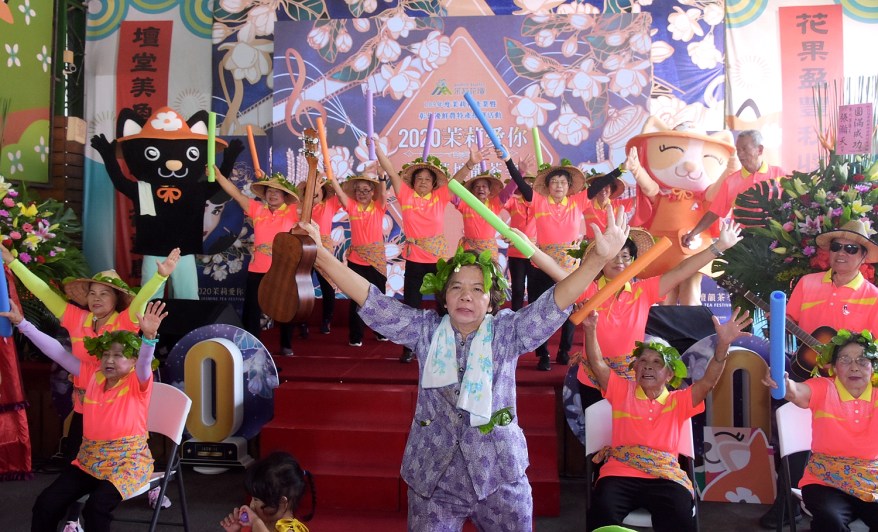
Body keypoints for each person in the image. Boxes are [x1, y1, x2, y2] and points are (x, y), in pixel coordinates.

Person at [299, 204, 629, 530]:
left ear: (491, 301)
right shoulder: (424, 330)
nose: (466, 296)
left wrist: (597, 260)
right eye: (456, 287)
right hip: (433, 477)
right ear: (444, 298)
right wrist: (321, 254)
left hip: (499, 474)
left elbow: (556, 301)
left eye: (477, 289)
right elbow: (370, 298)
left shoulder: (508, 333)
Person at [0, 300, 167, 532]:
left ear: (133, 361)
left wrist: (148, 338)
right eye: (105, 354)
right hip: (89, 461)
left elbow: (146, 362)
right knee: (46, 504)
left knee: (96, 508)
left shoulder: (137, 381)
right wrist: (22, 324)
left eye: (118, 355)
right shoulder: (92, 375)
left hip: (127, 463)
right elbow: (58, 352)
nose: (109, 360)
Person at [0, 245, 179, 461]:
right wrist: (13, 263)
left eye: (104, 293)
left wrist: (160, 276)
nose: (97, 298)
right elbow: (44, 292)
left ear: (117, 299)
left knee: (114, 463)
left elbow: (141, 299)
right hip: (84, 404)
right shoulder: (75, 317)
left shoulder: (126, 321)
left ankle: (138, 479)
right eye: (92, 293)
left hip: (118, 407)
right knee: (74, 463)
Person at [583, 306, 752, 532]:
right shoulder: (621, 391)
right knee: (602, 512)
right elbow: (597, 364)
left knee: (680, 515)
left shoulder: (679, 400)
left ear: (670, 374)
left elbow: (707, 382)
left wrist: (722, 346)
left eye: (657, 362)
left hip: (666, 477)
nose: (648, 366)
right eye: (643, 361)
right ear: (635, 368)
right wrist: (590, 329)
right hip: (619, 474)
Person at [760, 219, 878, 529]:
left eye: (851, 248)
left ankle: (850, 496)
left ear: (863, 257)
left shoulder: (873, 296)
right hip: (805, 377)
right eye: (837, 246)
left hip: (851, 387)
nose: (842, 253)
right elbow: (787, 322)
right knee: (789, 438)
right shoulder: (807, 283)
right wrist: (776, 321)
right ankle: (788, 502)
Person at [575, 220, 743, 409]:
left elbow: (682, 270)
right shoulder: (587, 290)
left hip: (631, 380)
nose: (620, 262)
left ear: (634, 261)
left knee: (629, 428)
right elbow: (560, 280)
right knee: (596, 427)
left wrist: (719, 246)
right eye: (613, 256)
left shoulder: (643, 290)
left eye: (625, 256)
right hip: (592, 379)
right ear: (601, 260)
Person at [373, 136, 483, 363]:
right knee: (411, 306)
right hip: (414, 260)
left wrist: (471, 163)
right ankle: (409, 348)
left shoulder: (439, 197)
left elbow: (456, 180)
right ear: (413, 183)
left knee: (444, 304)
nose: (423, 182)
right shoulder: (406, 195)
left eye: (427, 179)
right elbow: (391, 171)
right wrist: (378, 149)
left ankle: (449, 344)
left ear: (434, 184)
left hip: (438, 260)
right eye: (419, 179)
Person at [762, 329, 878, 531]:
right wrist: (782, 383)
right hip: (825, 482)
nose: (854, 367)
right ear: (833, 367)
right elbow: (795, 391)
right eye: (845, 360)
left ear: (873, 367)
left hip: (871, 481)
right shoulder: (823, 387)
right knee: (830, 520)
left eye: (862, 360)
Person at [503, 151, 589, 370]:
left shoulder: (577, 202)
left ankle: (564, 351)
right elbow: (520, 184)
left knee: (570, 309)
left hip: (569, 268)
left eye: (563, 182)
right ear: (548, 186)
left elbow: (598, 186)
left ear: (569, 186)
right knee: (539, 308)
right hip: (541, 265)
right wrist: (509, 161)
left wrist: (621, 169)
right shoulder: (539, 202)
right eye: (554, 182)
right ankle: (543, 355)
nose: (559, 185)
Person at [215, 168, 299, 356]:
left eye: (277, 192)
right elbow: (236, 194)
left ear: (285, 196)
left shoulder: (293, 211)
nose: (273, 195)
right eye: (269, 191)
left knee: (286, 308)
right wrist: (220, 177)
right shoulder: (257, 209)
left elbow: (309, 199)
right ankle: (251, 344)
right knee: (252, 310)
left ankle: (286, 345)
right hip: (257, 269)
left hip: (283, 269)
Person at [682, 130, 785, 248]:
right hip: (742, 243)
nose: (740, 154)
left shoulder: (779, 174)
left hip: (775, 241)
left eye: (744, 149)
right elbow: (714, 212)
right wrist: (693, 233)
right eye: (738, 150)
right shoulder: (730, 181)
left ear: (759, 150)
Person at [330, 173, 388, 347]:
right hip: (356, 260)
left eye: (366, 190)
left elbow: (383, 193)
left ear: (372, 192)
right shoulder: (352, 207)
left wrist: (382, 179)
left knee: (379, 298)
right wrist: (331, 177)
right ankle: (356, 336)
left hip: (376, 260)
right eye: (358, 190)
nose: (362, 193)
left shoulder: (378, 207)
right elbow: (340, 194)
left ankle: (380, 332)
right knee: (357, 299)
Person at [220, 451, 316, 532]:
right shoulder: (265, 524)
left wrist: (256, 522)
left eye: (256, 500)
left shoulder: (291, 529)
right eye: (252, 498)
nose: (251, 505)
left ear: (282, 503)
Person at [450, 152, 516, 261]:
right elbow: (451, 189)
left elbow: (510, 190)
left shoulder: (495, 204)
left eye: (484, 186)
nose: (481, 189)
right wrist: (470, 164)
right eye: (477, 186)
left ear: (489, 191)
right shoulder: (465, 203)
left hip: (488, 250)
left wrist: (521, 171)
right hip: (469, 249)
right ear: (472, 191)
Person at [309, 176, 342, 336]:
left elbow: (343, 193)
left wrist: (329, 176)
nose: (315, 192)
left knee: (327, 286)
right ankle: (302, 322)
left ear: (323, 192)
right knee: (303, 286)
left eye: (318, 190)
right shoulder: (302, 205)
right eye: (311, 189)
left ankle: (327, 320)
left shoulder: (330, 203)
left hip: (324, 248)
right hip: (305, 247)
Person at [503, 170, 537, 311]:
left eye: (531, 182)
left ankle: (533, 317)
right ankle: (515, 316)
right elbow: (502, 198)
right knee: (517, 288)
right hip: (516, 252)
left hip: (535, 253)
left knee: (534, 289)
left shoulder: (540, 202)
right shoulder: (513, 201)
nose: (528, 185)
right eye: (525, 182)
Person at [581, 167, 634, 241]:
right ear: (594, 189)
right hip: (591, 244)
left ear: (611, 189)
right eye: (599, 186)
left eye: (606, 186)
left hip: (614, 244)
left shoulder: (618, 204)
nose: (603, 189)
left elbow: (639, 200)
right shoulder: (585, 204)